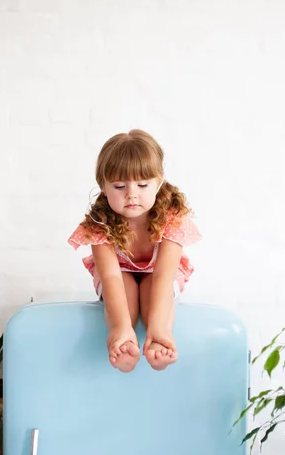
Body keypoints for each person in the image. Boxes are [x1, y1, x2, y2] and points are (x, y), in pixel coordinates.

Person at [68, 129, 201, 373]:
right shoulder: (100, 222)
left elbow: (164, 274)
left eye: (142, 184)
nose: (131, 194)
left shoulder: (171, 216)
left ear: (158, 182)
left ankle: (159, 340)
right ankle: (122, 341)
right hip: (119, 272)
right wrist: (121, 326)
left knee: (153, 293)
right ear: (103, 187)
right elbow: (110, 276)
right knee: (125, 295)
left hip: (159, 271)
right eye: (119, 186)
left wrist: (158, 325)